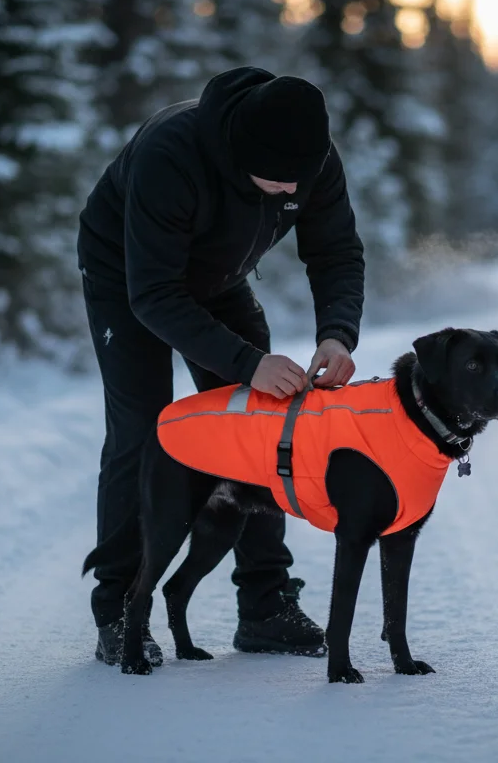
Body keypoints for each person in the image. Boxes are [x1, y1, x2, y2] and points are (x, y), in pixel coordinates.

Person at [76, 66, 366, 664]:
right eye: (278, 181)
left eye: (300, 182)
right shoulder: (171, 154)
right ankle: (120, 609)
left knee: (262, 424)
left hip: (219, 276)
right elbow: (153, 294)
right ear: (241, 155)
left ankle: (265, 605)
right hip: (129, 276)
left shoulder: (309, 157)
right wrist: (246, 361)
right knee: (144, 430)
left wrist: (337, 334)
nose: (292, 193)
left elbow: (335, 249)